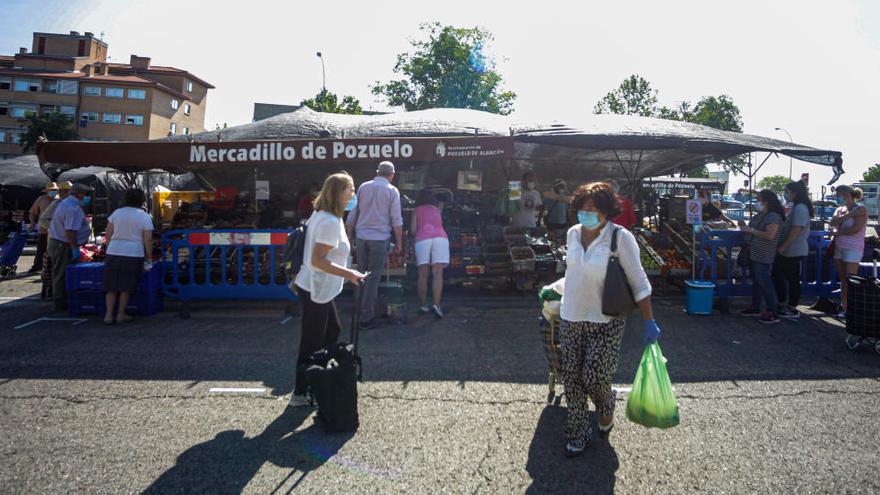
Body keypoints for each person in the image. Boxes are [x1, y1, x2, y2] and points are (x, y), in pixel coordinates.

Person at [559, 182, 658, 457]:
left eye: (593, 209)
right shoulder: (572, 234)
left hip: (607, 320)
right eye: (582, 208)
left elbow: (639, 281)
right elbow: (573, 272)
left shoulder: (620, 238)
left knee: (594, 376)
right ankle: (577, 433)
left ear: (606, 211)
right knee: (572, 379)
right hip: (571, 316)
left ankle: (606, 405)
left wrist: (649, 320)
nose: (586, 213)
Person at [290, 172, 366, 407]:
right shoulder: (330, 221)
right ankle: (301, 391)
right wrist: (350, 274)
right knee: (312, 341)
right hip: (316, 287)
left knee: (332, 329)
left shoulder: (323, 215)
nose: (353, 194)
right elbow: (318, 260)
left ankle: (320, 378)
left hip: (317, 286)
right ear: (338, 192)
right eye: (350, 189)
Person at [345, 161, 403, 330]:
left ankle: (360, 310)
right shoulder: (392, 191)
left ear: (377, 172)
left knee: (361, 274)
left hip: (362, 237)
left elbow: (353, 213)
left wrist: (349, 236)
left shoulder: (363, 187)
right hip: (379, 238)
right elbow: (396, 220)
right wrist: (399, 242)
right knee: (372, 278)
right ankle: (366, 316)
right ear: (392, 175)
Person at [102, 189, 154, 325]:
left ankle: (108, 315)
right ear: (142, 200)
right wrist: (149, 257)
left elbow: (108, 233)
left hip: (114, 251)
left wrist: (109, 249)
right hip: (133, 252)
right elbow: (148, 239)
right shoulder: (144, 216)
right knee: (126, 286)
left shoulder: (117, 213)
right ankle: (120, 314)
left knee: (111, 285)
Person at [738, 189, 785, 324]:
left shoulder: (773, 217)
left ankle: (772, 311)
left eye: (759, 199)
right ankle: (755, 306)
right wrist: (745, 227)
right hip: (754, 252)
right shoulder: (760, 215)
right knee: (757, 282)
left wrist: (751, 230)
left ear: (766, 201)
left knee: (764, 282)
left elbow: (770, 235)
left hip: (763, 254)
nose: (756, 202)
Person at [47, 183, 93, 312]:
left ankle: (62, 300)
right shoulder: (73, 208)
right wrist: (74, 247)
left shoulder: (67, 204)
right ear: (79, 194)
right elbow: (70, 231)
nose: (87, 198)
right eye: (86, 195)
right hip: (63, 245)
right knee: (62, 274)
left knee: (60, 273)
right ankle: (61, 303)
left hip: (60, 243)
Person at [772, 181, 813, 320]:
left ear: (794, 193)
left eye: (786, 191)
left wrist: (783, 246)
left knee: (792, 279)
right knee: (778, 275)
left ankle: (792, 308)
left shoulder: (800, 208)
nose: (785, 194)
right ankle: (783, 302)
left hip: (793, 249)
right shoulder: (797, 207)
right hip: (789, 249)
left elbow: (796, 229)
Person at [830, 185, 867, 319]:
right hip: (839, 247)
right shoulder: (840, 209)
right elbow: (833, 222)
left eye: (838, 195)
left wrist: (839, 231)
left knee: (851, 279)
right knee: (843, 279)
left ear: (846, 195)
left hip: (853, 248)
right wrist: (849, 215)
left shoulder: (861, 209)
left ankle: (851, 308)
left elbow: (855, 229)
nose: (837, 198)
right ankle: (843, 305)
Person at [411, 189, 449, 318]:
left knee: (423, 274)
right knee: (438, 273)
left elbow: (413, 230)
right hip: (440, 238)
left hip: (423, 239)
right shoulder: (436, 209)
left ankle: (423, 305)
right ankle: (436, 305)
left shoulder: (417, 210)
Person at [27, 182, 58, 273]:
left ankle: (52, 267)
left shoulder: (59, 200)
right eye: (52, 190)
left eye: (55, 190)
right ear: (47, 191)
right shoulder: (40, 199)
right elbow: (32, 212)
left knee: (54, 249)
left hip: (55, 229)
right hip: (43, 229)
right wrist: (32, 222)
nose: (53, 192)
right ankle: (37, 266)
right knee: (41, 248)